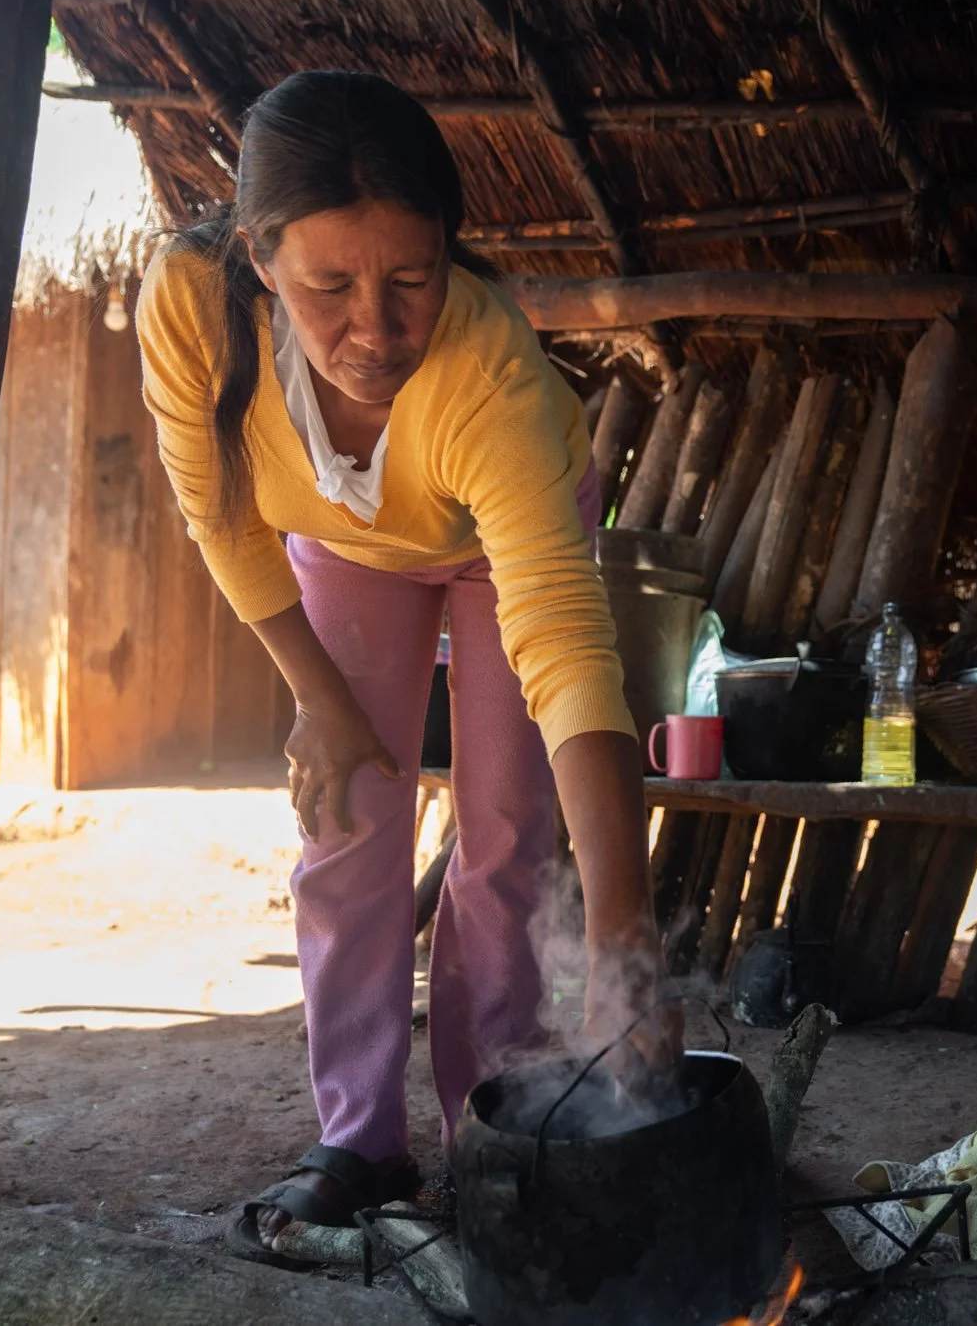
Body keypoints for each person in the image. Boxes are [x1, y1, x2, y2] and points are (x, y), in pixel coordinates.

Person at [134, 69, 676, 1262]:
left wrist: (625, 955)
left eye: (412, 280)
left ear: (448, 253)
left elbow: (566, 650)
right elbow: (218, 515)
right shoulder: (191, 307)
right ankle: (361, 1141)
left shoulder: (490, 380)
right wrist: (317, 699)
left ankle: (494, 1132)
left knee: (503, 834)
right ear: (260, 257)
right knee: (346, 818)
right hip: (339, 543)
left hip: (499, 544)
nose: (375, 330)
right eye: (329, 287)